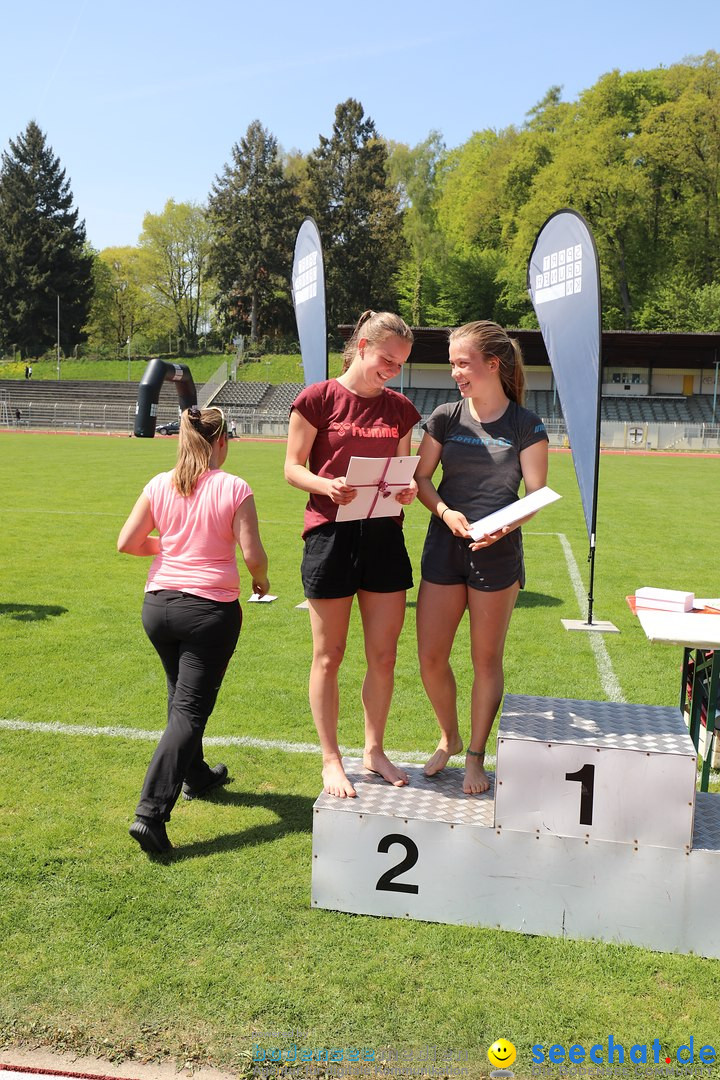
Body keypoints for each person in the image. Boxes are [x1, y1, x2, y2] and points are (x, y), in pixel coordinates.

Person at [118, 405, 269, 853]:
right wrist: (261, 581)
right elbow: (252, 554)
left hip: (158, 607)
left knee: (179, 694)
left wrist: (170, 543)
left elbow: (127, 542)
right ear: (221, 440)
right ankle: (150, 813)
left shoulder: (159, 483)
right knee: (188, 710)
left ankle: (197, 775)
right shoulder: (233, 486)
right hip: (208, 611)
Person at [284, 310, 421, 799]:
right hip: (330, 536)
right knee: (329, 655)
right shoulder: (318, 399)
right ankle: (331, 759)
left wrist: (404, 492)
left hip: (385, 536)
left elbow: (405, 472)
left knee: (383, 655)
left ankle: (374, 749)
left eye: (400, 363)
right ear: (361, 346)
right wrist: (327, 484)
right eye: (387, 358)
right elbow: (292, 468)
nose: (393, 370)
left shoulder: (402, 409)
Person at [415, 320, 549, 794]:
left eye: (462, 363)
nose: (455, 372)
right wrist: (445, 510)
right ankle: (448, 737)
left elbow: (536, 492)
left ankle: (475, 755)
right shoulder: (445, 417)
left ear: (493, 365)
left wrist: (503, 527)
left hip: (497, 555)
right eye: (452, 363)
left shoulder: (526, 425)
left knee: (485, 659)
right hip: (443, 546)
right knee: (431, 656)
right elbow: (422, 479)